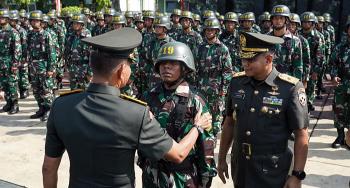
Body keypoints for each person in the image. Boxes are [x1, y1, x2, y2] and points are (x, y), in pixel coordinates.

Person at [42, 28, 209, 188]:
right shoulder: (136, 113)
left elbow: (48, 168)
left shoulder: (61, 106)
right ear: (122, 71)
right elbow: (178, 154)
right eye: (129, 65)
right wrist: (198, 127)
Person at [217, 32, 309, 188]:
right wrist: (221, 159)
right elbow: (229, 123)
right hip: (241, 168)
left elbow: (301, 134)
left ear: (268, 59)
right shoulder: (237, 82)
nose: (245, 63)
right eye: (243, 58)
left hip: (272, 170)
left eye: (251, 59)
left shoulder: (290, 88)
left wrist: (297, 175)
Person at [139, 41, 217, 188]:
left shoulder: (195, 100)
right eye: (162, 63)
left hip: (183, 177)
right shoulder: (148, 97)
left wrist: (206, 176)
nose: (166, 67)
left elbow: (206, 144)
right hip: (152, 175)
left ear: (184, 68)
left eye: (173, 63)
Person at [197, 17, 233, 136]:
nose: (209, 32)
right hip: (201, 88)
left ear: (217, 31)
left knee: (216, 117)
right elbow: (195, 69)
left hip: (216, 89)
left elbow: (227, 72)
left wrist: (223, 90)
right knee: (201, 115)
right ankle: (203, 140)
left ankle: (212, 140)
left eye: (212, 30)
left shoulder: (223, 49)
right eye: (207, 30)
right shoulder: (200, 47)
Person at [27, 10, 57, 121]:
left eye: (37, 21)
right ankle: (41, 109)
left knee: (46, 90)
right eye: (33, 21)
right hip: (33, 66)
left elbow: (52, 53)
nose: (34, 23)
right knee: (36, 90)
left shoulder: (46, 35)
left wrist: (51, 69)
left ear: (41, 22)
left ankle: (49, 110)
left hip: (44, 66)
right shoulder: (30, 34)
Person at [329, 17, 350, 149]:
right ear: (347, 30)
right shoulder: (340, 48)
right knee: (339, 110)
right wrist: (334, 76)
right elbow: (333, 64)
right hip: (342, 84)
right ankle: (340, 136)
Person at [269, 5, 303, 80]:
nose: (278, 21)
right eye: (275, 18)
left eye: (281, 18)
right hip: (266, 80)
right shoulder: (264, 38)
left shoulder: (295, 41)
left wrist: (296, 86)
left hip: (286, 81)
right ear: (272, 20)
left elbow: (297, 66)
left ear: (286, 20)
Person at [300, 12, 325, 111]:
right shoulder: (298, 34)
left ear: (313, 23)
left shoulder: (318, 36)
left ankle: (308, 106)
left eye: (308, 22)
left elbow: (320, 56)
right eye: (304, 22)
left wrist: (316, 71)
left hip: (312, 67)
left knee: (310, 89)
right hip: (299, 65)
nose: (306, 24)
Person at [0, 9, 22, 114]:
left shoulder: (13, 32)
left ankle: (15, 105)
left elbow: (17, 50)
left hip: (10, 62)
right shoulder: (0, 31)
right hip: (1, 62)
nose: (1, 19)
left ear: (8, 19)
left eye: (3, 18)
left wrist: (14, 64)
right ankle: (8, 103)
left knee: (12, 84)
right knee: (4, 84)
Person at [64, 14, 92, 90]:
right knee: (73, 93)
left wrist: (90, 72)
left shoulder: (87, 36)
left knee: (84, 94)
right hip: (73, 69)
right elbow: (67, 52)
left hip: (83, 70)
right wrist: (66, 67)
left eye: (77, 23)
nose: (75, 25)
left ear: (82, 24)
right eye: (74, 23)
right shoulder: (71, 36)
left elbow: (91, 55)